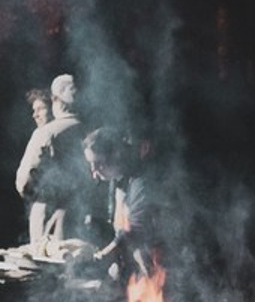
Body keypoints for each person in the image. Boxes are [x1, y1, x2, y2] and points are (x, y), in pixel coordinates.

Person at [15, 74, 104, 250]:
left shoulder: (45, 134)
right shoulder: (95, 134)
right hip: (85, 215)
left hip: (50, 217)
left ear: (55, 101)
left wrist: (35, 196)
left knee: (49, 268)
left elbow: (24, 182)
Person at [83, 127, 157, 281]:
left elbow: (136, 229)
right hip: (134, 268)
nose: (93, 171)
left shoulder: (141, 180)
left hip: (157, 268)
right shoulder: (118, 177)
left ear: (117, 155)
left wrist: (104, 255)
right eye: (90, 164)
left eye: (98, 163)